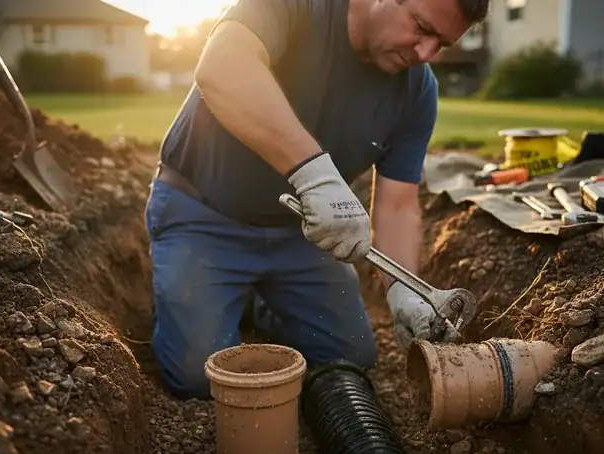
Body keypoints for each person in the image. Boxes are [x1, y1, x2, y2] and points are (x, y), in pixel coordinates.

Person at [145, 0, 489, 401]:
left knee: (351, 356)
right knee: (201, 376)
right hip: (204, 216)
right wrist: (313, 173)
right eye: (421, 27)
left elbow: (397, 205)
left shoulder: (417, 91)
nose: (426, 53)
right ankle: (202, 301)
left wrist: (403, 291)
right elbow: (221, 67)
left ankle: (253, 302)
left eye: (442, 44)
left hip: (300, 234)